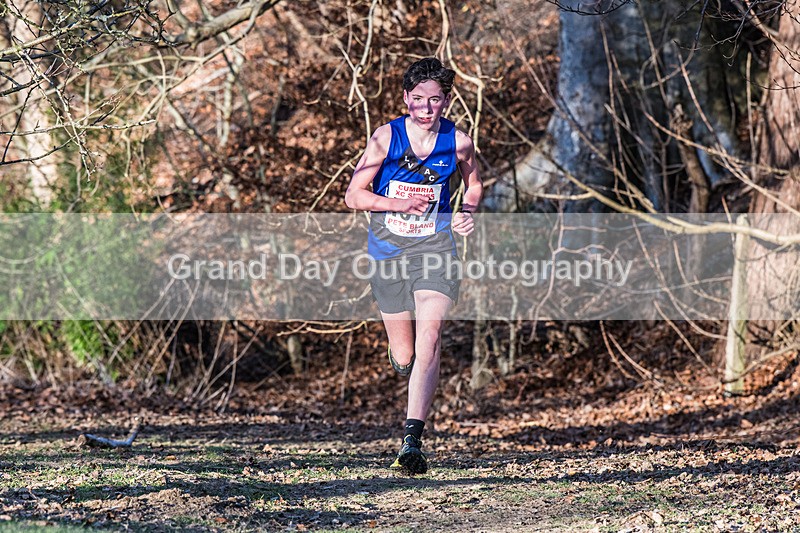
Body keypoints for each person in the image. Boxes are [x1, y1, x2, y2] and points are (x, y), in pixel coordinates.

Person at [344, 57, 483, 474]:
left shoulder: (458, 142)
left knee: (431, 336)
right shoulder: (386, 138)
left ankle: (412, 440)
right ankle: (401, 357)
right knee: (405, 353)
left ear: (446, 101)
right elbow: (354, 195)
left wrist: (467, 211)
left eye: (434, 100)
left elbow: (474, 183)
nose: (426, 108)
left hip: (435, 249)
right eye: (418, 99)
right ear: (406, 98)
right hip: (388, 252)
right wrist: (398, 204)